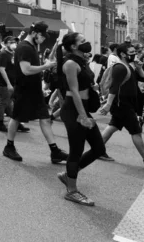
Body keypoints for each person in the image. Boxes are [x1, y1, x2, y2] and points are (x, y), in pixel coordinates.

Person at [3, 22, 68, 163]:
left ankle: (54, 150)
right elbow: (26, 70)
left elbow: (32, 67)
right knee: (16, 118)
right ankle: (9, 147)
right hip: (24, 90)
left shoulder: (31, 46)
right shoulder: (24, 48)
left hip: (34, 90)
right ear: (34, 33)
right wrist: (45, 66)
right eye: (42, 36)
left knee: (45, 118)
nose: (44, 39)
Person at [56, 33, 106, 206]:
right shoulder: (69, 63)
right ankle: (71, 190)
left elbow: (84, 85)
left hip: (82, 108)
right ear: (73, 46)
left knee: (99, 148)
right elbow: (74, 92)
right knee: (76, 151)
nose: (87, 43)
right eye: (82, 41)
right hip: (73, 110)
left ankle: (68, 175)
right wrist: (82, 115)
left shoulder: (81, 61)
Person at [99, 44, 144, 171]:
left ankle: (97, 149)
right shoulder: (120, 68)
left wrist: (139, 67)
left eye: (135, 52)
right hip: (121, 104)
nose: (135, 54)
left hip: (125, 103)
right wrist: (108, 104)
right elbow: (114, 87)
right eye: (132, 52)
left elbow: (143, 78)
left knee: (113, 126)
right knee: (136, 131)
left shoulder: (130, 67)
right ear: (123, 54)